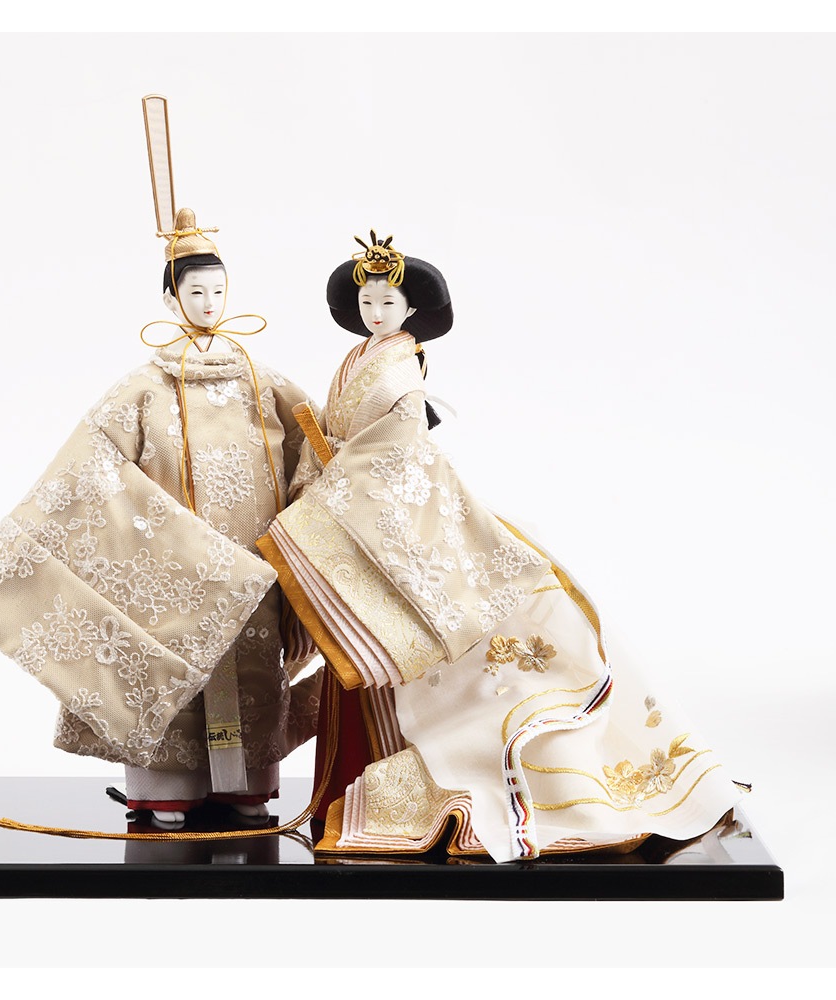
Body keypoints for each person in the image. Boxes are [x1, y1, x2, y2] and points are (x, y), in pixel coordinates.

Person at [258, 231, 742, 862]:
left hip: (395, 506)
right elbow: (336, 433)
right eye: (367, 303)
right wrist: (319, 473)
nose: (376, 313)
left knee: (456, 624)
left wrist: (334, 480)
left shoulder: (402, 370)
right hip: (361, 508)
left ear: (410, 310)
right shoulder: (357, 359)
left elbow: (397, 449)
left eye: (388, 303)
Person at [0, 208, 321, 826]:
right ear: (171, 300)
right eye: (195, 292)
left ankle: (246, 784)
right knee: (168, 672)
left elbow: (316, 454)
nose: (209, 303)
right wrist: (152, 533)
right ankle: (166, 788)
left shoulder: (266, 383)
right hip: (169, 564)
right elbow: (89, 466)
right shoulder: (144, 389)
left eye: (218, 291)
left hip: (257, 560)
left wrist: (302, 555)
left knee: (253, 670)